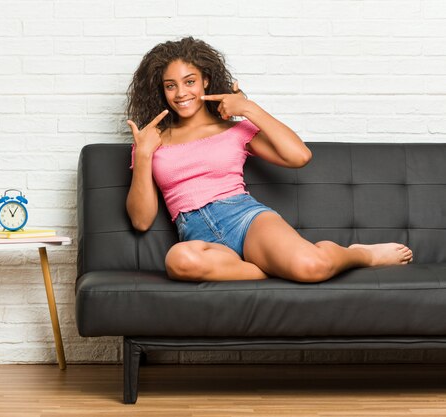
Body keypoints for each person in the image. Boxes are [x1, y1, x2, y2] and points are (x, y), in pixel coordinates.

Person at [125, 37, 413, 283]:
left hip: (244, 218)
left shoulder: (234, 130)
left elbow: (300, 156)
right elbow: (140, 220)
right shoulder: (150, 140)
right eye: (170, 85)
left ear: (206, 81)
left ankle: (361, 254)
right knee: (179, 261)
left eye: (189, 82)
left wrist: (249, 108)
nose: (181, 93)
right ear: (161, 91)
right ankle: (271, 268)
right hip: (196, 233)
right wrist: (145, 154)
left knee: (312, 267)